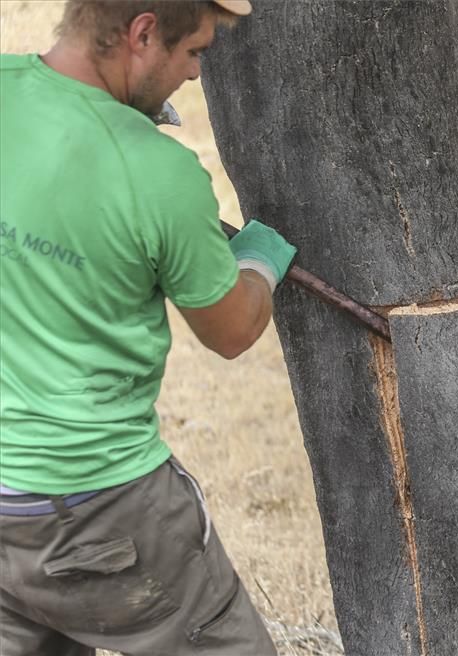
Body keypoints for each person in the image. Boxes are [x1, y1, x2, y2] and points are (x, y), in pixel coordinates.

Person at [0, 1, 296, 653]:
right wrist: (258, 261)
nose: (194, 76)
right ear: (142, 33)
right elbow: (232, 331)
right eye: (195, 52)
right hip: (99, 501)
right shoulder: (158, 174)